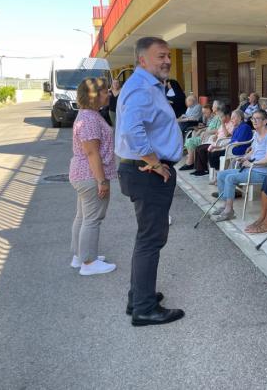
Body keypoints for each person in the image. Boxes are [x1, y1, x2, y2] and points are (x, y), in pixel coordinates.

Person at [116, 37, 184, 327]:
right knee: (150, 239)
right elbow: (133, 131)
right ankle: (143, 308)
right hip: (147, 174)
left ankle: (138, 297)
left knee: (146, 237)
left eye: (168, 55)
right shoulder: (143, 88)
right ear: (143, 60)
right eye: (160, 56)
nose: (167, 60)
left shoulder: (147, 86)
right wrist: (156, 163)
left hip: (143, 171)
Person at [69, 77, 117, 275]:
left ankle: (79, 256)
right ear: (94, 95)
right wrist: (101, 181)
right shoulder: (89, 119)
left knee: (82, 216)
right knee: (92, 219)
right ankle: (88, 263)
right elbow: (92, 152)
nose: (109, 94)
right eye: (105, 91)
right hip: (90, 176)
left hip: (82, 175)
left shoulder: (88, 115)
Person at [209, 109, 267, 222]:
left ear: (265, 121)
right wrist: (245, 157)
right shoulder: (257, 134)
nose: (254, 121)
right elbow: (254, 152)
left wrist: (251, 163)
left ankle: (229, 211)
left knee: (230, 178)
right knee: (221, 175)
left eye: (257, 119)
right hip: (251, 169)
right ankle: (225, 205)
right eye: (253, 118)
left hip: (263, 172)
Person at [193, 108, 252, 179]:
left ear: (240, 118)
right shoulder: (237, 127)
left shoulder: (245, 127)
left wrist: (221, 148)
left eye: (233, 117)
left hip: (238, 150)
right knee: (212, 152)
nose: (232, 119)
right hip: (232, 147)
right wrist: (218, 147)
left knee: (215, 154)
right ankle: (217, 174)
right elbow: (232, 141)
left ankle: (218, 176)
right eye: (231, 117)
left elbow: (237, 142)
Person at [179, 101, 223, 170]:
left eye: (213, 106)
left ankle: (190, 162)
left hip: (210, 138)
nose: (212, 107)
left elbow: (219, 130)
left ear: (217, 108)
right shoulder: (215, 116)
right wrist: (203, 130)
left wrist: (206, 132)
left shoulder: (220, 117)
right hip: (206, 135)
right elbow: (209, 127)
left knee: (190, 141)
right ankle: (191, 160)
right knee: (191, 137)